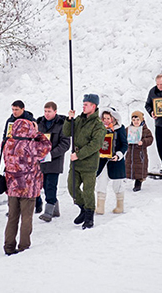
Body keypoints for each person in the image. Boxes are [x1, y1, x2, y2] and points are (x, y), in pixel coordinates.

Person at [3, 119, 51, 255]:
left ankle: (8, 246)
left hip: (12, 186)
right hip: (28, 187)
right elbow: (47, 146)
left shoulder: (8, 143)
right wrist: (37, 133)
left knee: (12, 217)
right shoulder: (32, 146)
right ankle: (24, 246)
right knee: (26, 217)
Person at [63, 94, 106, 229]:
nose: (83, 106)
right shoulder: (79, 120)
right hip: (76, 163)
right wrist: (69, 120)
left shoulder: (98, 125)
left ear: (93, 106)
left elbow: (95, 145)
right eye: (83, 103)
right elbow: (66, 132)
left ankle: (89, 216)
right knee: (72, 188)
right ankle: (82, 208)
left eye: (86, 104)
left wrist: (79, 155)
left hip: (88, 163)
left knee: (88, 191)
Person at [2, 100, 43, 213]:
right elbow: (5, 136)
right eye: (13, 109)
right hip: (13, 155)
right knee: (13, 182)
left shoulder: (30, 121)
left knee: (29, 182)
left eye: (17, 110)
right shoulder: (10, 121)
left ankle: (37, 201)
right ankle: (13, 207)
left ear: (22, 109)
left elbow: (36, 138)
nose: (14, 112)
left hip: (26, 156)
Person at [36, 101, 70, 222]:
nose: (46, 114)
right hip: (41, 161)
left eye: (49, 111)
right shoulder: (39, 123)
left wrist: (51, 154)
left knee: (51, 185)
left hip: (54, 161)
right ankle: (55, 208)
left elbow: (65, 144)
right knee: (44, 185)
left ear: (55, 111)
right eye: (45, 111)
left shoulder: (62, 124)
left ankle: (48, 212)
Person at [95, 107, 128, 214]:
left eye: (108, 118)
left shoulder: (120, 128)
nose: (105, 120)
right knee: (101, 182)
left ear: (113, 119)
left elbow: (124, 145)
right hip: (102, 161)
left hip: (116, 161)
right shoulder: (99, 129)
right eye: (104, 118)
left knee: (118, 184)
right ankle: (100, 207)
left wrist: (118, 155)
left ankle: (120, 206)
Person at [125, 111, 154, 192]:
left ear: (142, 120)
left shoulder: (145, 130)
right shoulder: (128, 129)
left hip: (141, 154)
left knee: (140, 168)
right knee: (130, 166)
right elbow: (123, 137)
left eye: (137, 120)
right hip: (131, 153)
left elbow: (150, 139)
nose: (136, 122)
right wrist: (126, 141)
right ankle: (129, 177)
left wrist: (143, 142)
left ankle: (138, 183)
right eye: (134, 120)